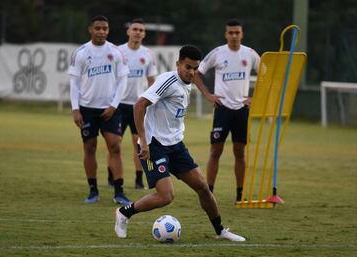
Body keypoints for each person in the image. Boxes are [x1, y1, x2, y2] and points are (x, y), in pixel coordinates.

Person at [114, 45, 246, 241]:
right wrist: (143, 141)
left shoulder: (187, 83)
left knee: (203, 187)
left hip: (175, 145)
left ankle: (220, 231)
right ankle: (124, 213)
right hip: (154, 146)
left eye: (195, 68)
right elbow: (139, 105)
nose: (192, 72)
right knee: (166, 196)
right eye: (187, 67)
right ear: (178, 64)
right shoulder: (167, 81)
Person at [193, 19, 260, 203]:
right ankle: (209, 192)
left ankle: (240, 195)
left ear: (242, 34)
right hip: (222, 109)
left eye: (237, 33)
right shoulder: (217, 53)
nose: (234, 36)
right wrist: (208, 95)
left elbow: (266, 75)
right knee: (215, 152)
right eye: (231, 33)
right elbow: (197, 73)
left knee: (240, 153)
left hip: (241, 110)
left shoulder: (250, 54)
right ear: (226, 34)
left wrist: (255, 98)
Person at [68, 15, 131, 205]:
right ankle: (93, 189)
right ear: (90, 29)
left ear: (108, 30)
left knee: (115, 146)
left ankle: (119, 191)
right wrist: (75, 109)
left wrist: (114, 105)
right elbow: (74, 83)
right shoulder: (81, 52)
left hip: (110, 109)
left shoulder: (116, 52)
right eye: (98, 28)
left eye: (105, 28)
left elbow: (123, 81)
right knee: (89, 147)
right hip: (87, 109)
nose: (101, 31)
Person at [107, 18, 158, 190]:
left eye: (141, 30)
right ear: (128, 31)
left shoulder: (148, 54)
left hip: (138, 106)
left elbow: (152, 80)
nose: (137, 32)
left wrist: (151, 102)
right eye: (134, 29)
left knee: (139, 143)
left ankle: (138, 180)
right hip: (118, 105)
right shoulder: (117, 52)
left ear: (144, 34)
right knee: (115, 143)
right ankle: (112, 176)